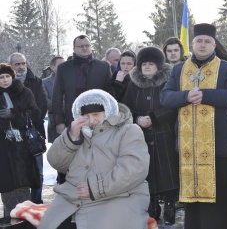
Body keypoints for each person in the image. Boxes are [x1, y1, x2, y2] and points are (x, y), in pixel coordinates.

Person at [160, 23, 227, 229]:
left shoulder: (224, 67)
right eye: (199, 41)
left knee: (221, 198)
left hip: (218, 145)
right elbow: (165, 97)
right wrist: (186, 96)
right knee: (193, 202)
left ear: (214, 45)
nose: (203, 45)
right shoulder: (180, 69)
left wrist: (205, 95)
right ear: (192, 44)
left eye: (208, 41)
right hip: (189, 148)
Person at [38, 89, 150, 229]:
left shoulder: (128, 130)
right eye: (86, 115)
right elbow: (56, 162)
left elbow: (135, 168)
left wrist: (96, 187)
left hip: (120, 195)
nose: (91, 120)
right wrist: (71, 138)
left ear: (108, 112)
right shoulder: (78, 133)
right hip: (74, 197)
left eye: (96, 114)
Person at [122, 46, 178, 225]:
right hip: (141, 135)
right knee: (147, 170)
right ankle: (152, 203)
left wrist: (154, 117)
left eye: (151, 64)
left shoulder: (167, 82)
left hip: (164, 133)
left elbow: (173, 105)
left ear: (158, 66)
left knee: (168, 170)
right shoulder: (133, 85)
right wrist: (137, 118)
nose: (147, 67)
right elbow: (126, 106)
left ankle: (170, 203)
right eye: (144, 64)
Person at [52, 34, 112, 184]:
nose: (84, 48)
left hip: (98, 121)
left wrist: (110, 118)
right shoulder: (64, 68)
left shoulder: (103, 67)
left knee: (96, 154)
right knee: (71, 153)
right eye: (81, 46)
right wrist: (58, 121)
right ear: (74, 48)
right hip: (72, 119)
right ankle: (68, 185)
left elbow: (110, 95)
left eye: (87, 45)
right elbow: (57, 96)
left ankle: (96, 185)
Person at [0, 63, 41, 217]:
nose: (5, 80)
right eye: (1, 77)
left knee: (23, 188)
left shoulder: (24, 92)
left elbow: (36, 114)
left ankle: (25, 221)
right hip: (2, 148)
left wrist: (14, 115)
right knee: (7, 188)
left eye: (7, 76)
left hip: (22, 147)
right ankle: (9, 220)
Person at [9, 52, 47, 204]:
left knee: (38, 171)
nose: (21, 67)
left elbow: (42, 106)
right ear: (11, 66)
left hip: (33, 133)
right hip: (13, 135)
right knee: (18, 172)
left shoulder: (36, 81)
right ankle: (21, 205)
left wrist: (25, 119)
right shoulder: (5, 84)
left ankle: (36, 202)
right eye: (17, 64)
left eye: (23, 63)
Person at [42, 56, 65, 144]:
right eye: (61, 65)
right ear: (53, 67)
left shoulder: (71, 80)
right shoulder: (44, 82)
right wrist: (65, 103)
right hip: (55, 123)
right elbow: (46, 102)